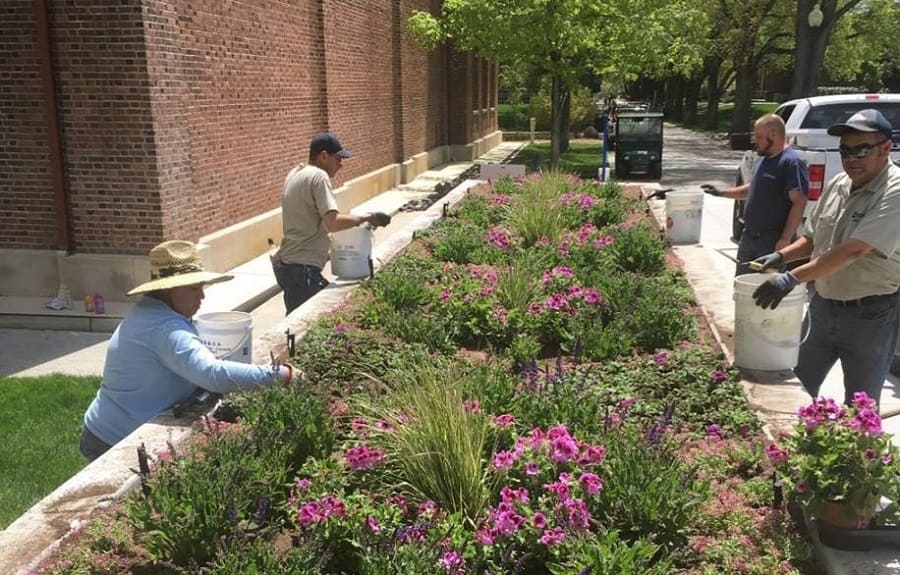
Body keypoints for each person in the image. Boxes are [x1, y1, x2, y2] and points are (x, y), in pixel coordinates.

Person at [80, 240, 298, 461]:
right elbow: (212, 375)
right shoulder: (165, 328)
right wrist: (283, 375)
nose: (201, 296)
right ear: (168, 289)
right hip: (113, 438)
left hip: (108, 423)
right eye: (194, 289)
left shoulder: (154, 312)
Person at [751, 109, 900, 407]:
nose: (851, 158)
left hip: (869, 316)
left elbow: (856, 249)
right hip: (822, 307)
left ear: (886, 148)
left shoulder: (894, 190)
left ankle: (858, 454)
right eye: (845, 150)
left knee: (860, 407)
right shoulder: (839, 184)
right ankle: (796, 451)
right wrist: (781, 256)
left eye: (861, 149)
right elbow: (812, 239)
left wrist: (791, 278)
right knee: (794, 386)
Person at [273, 132, 391, 315]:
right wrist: (368, 217)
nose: (341, 165)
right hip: (302, 270)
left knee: (303, 324)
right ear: (324, 156)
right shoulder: (319, 177)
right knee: (312, 326)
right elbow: (333, 223)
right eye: (338, 159)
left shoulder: (296, 173)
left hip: (287, 266)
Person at [702, 114, 809, 275]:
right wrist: (721, 193)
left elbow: (799, 202)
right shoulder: (763, 159)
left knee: (763, 288)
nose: (755, 141)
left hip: (771, 240)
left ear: (773, 135)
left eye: (759, 136)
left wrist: (785, 239)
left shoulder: (791, 162)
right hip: (749, 236)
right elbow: (751, 189)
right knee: (743, 284)